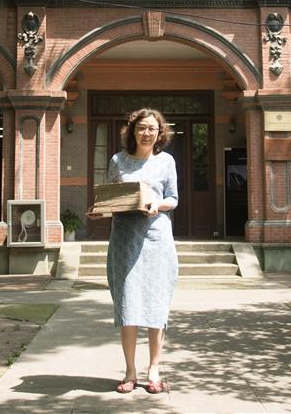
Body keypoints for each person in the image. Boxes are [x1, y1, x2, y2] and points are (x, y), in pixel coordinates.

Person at [90, 107, 178, 395]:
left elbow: (173, 199)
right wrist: (98, 210)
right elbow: (110, 195)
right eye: (141, 127)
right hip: (124, 239)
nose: (147, 132)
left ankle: (153, 369)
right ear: (132, 130)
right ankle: (130, 372)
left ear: (159, 132)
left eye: (152, 128)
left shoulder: (166, 161)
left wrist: (158, 205)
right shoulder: (118, 161)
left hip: (156, 238)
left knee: (155, 304)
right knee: (128, 306)